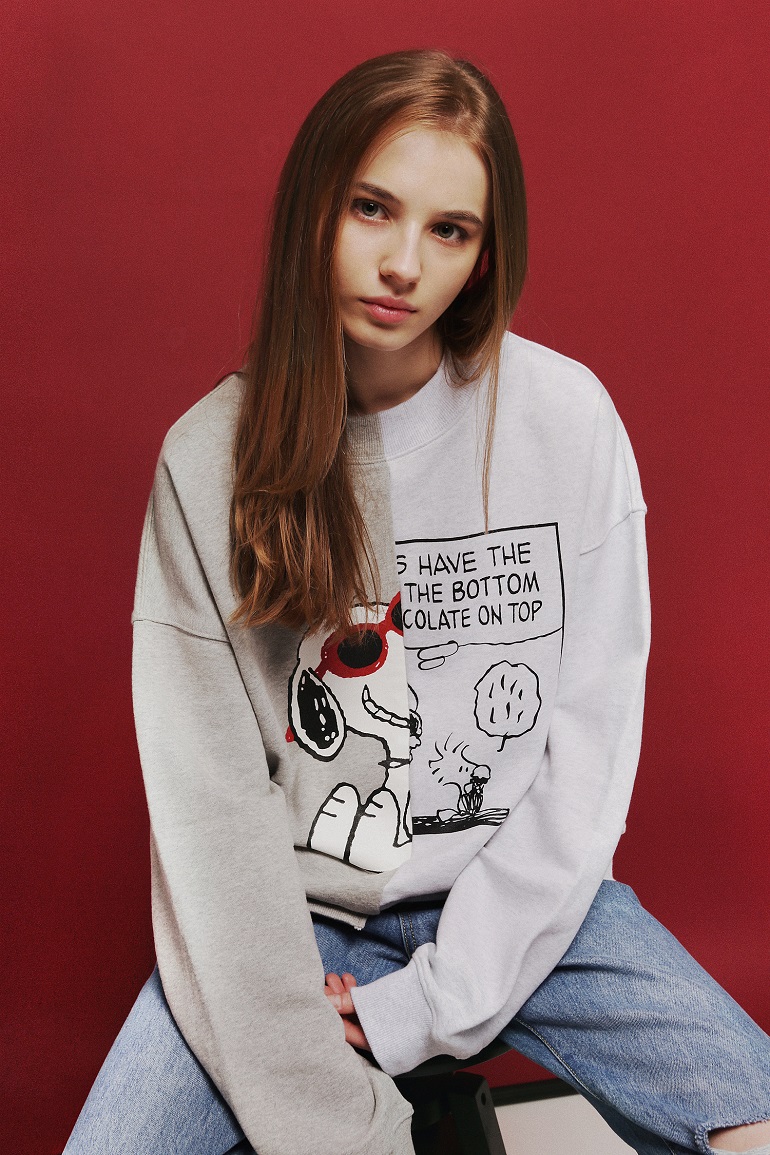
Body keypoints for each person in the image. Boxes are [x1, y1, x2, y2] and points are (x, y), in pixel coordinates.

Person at [64, 49, 770, 1155]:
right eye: (371, 208)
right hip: (289, 919)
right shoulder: (205, 462)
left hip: (525, 900)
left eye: (450, 231)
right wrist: (338, 1122)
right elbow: (212, 826)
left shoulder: (563, 420)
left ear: (485, 256)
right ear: (314, 206)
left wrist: (433, 1002)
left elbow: (584, 761)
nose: (402, 264)